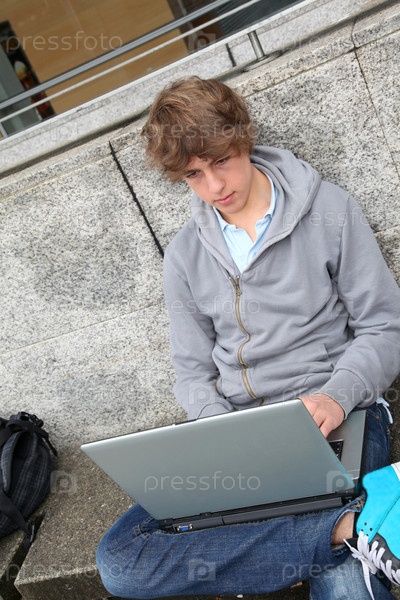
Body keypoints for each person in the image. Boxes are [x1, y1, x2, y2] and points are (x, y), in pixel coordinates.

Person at [96, 76, 400, 599]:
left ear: (243, 137)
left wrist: (336, 395)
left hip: (337, 412)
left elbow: (385, 325)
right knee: (121, 561)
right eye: (194, 174)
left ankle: (327, 532)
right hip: (240, 434)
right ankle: (350, 530)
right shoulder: (184, 256)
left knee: (344, 590)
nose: (215, 186)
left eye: (221, 161)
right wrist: (220, 434)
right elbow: (192, 372)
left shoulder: (329, 210)